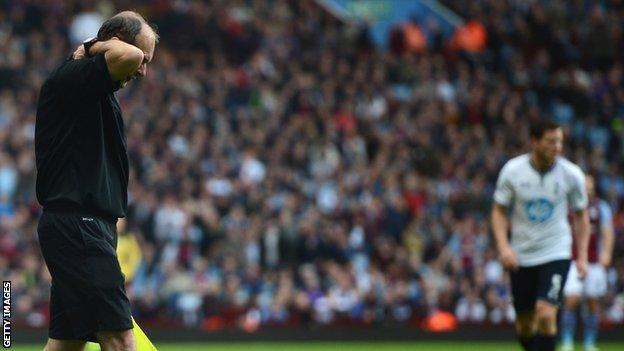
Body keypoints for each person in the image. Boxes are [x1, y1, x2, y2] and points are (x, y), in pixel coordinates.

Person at [35, 11, 157, 351]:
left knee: (67, 343)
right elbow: (128, 56)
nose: (143, 70)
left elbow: (129, 57)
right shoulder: (75, 77)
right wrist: (93, 47)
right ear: (116, 39)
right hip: (80, 225)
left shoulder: (95, 88)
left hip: (82, 227)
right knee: (119, 339)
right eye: (143, 59)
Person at [491, 120, 590, 351]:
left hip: (556, 252)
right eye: (550, 141)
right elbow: (498, 211)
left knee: (546, 314)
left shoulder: (571, 174)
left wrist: (582, 255)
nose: (556, 147)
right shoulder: (513, 171)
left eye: (559, 141)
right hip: (522, 256)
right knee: (525, 325)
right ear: (534, 141)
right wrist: (504, 247)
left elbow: (581, 215)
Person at [560, 174, 615, 351]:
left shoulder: (602, 207)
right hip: (573, 261)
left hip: (594, 262)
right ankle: (567, 342)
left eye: (589, 185)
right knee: (571, 299)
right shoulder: (568, 206)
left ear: (593, 187)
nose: (587, 188)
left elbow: (607, 232)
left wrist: (606, 253)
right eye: (584, 185)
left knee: (592, 302)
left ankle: (589, 343)